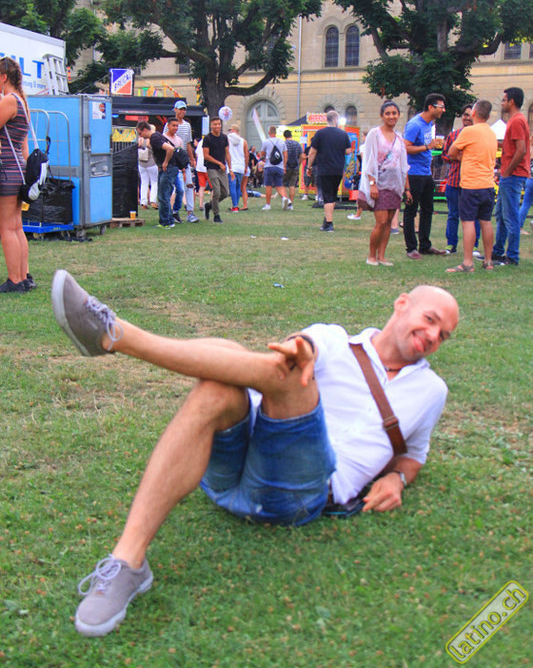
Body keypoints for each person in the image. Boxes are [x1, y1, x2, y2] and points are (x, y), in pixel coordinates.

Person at [51, 270, 459, 637]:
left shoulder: (431, 391)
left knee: (284, 377)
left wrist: (397, 477)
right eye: (430, 319)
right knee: (245, 379)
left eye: (443, 335)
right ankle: (127, 562)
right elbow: (300, 348)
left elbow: (413, 454)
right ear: (402, 304)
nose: (432, 336)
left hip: (298, 494)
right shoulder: (335, 339)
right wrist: (298, 352)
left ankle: (116, 336)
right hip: (229, 475)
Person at [445, 100, 497, 273]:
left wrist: (462, 157)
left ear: (473, 112)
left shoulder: (469, 131)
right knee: (486, 222)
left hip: (471, 185)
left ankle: (467, 263)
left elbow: (451, 152)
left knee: (468, 222)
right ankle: (488, 261)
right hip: (488, 185)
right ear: (488, 116)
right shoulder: (491, 133)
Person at [357, 101, 411, 266]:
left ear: (398, 115)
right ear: (382, 116)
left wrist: (407, 189)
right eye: (387, 113)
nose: (391, 116)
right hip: (379, 184)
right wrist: (372, 183)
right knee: (380, 222)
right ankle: (371, 256)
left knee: (388, 222)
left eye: (394, 113)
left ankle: (382, 256)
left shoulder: (399, 137)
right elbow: (369, 160)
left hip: (395, 185)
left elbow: (403, 165)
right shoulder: (375, 134)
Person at [0, 56, 33, 292]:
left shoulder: (9, 100)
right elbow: (24, 147)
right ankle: (22, 276)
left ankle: (14, 280)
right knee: (16, 226)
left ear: (3, 77)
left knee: (6, 227)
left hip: (6, 170)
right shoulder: (21, 101)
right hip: (18, 169)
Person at [403, 93, 447, 259]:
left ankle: (425, 245)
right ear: (430, 107)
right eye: (441, 107)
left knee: (428, 209)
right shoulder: (414, 124)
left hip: (426, 173)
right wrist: (427, 147)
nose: (443, 110)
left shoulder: (429, 124)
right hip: (414, 173)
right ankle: (411, 248)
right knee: (411, 210)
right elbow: (405, 148)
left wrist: (432, 147)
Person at [492, 87, 530, 266]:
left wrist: (507, 171)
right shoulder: (517, 120)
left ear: (511, 102)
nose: (502, 103)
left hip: (513, 175)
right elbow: (514, 147)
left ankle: (512, 256)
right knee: (501, 214)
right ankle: (497, 252)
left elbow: (521, 150)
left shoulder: (516, 121)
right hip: (510, 175)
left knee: (510, 216)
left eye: (504, 100)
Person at [306, 110, 351, 231]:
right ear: (336, 120)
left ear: (327, 119)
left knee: (327, 196)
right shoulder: (343, 134)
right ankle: (327, 220)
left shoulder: (320, 133)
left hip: (325, 168)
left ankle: (329, 224)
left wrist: (309, 167)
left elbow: (312, 152)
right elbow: (348, 151)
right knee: (333, 195)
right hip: (338, 169)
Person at [442, 105, 473, 254]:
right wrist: (455, 157)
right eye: (465, 114)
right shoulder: (453, 135)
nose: (467, 118)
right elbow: (445, 155)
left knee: (472, 216)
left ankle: (474, 246)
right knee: (453, 214)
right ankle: (451, 244)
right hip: (454, 180)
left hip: (472, 182)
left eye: (470, 115)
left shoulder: (477, 136)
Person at [150, 121, 183, 229]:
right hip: (171, 168)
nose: (175, 128)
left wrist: (165, 162)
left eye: (177, 126)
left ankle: (165, 222)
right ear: (167, 126)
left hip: (169, 168)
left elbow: (170, 149)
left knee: (164, 196)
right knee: (166, 195)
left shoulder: (156, 137)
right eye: (173, 125)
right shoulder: (162, 136)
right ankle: (169, 220)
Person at [171, 100, 199, 224]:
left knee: (189, 185)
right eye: (180, 109)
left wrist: (191, 158)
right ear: (175, 110)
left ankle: (190, 212)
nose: (182, 111)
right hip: (173, 159)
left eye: (184, 109)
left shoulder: (187, 125)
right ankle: (173, 211)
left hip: (184, 159)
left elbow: (188, 143)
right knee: (176, 187)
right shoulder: (169, 124)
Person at [203, 117, 233, 223]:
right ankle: (216, 215)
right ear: (211, 125)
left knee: (225, 192)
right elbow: (206, 155)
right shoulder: (207, 138)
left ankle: (209, 205)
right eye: (215, 124)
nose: (217, 126)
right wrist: (219, 163)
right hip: (212, 167)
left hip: (222, 169)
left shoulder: (224, 137)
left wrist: (230, 168)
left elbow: (227, 153)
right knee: (216, 191)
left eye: (219, 124)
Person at [260, 125, 288, 210]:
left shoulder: (266, 142)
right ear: (276, 132)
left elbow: (262, 154)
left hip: (269, 166)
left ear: (269, 133)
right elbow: (285, 154)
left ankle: (268, 205)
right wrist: (284, 166)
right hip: (279, 166)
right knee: (279, 185)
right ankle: (285, 198)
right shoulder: (282, 142)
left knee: (268, 185)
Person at [227, 125, 248, 211]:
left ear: (232, 130)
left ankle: (235, 205)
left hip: (232, 166)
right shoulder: (244, 141)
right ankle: (236, 204)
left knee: (232, 186)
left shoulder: (228, 140)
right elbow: (247, 155)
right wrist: (246, 166)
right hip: (240, 166)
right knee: (238, 187)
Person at [137, 123, 158, 210]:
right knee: (154, 182)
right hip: (152, 163)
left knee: (144, 183)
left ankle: (143, 202)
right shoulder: (151, 139)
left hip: (141, 163)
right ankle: (153, 200)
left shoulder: (140, 139)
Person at [282, 129, 303, 209]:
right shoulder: (297, 144)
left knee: (283, 184)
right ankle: (290, 204)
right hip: (295, 167)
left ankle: (286, 199)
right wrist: (298, 164)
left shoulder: (284, 144)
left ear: (284, 136)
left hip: (286, 167)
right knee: (292, 185)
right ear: (291, 135)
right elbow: (301, 156)